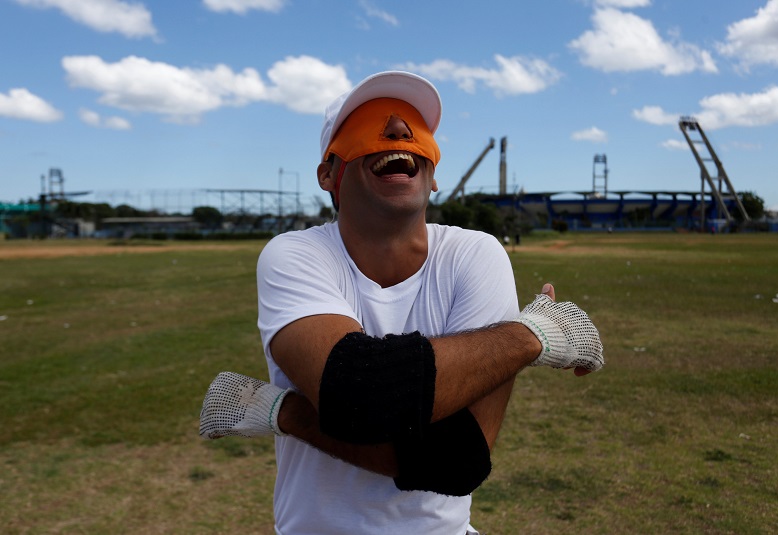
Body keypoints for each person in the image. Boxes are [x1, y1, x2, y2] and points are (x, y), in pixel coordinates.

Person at [200, 70, 604, 534]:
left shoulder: (476, 254)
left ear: (433, 174)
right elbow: (359, 394)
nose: (397, 128)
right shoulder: (294, 254)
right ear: (328, 174)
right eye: (368, 120)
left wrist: (285, 412)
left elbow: (458, 459)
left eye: (415, 122)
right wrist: (531, 336)